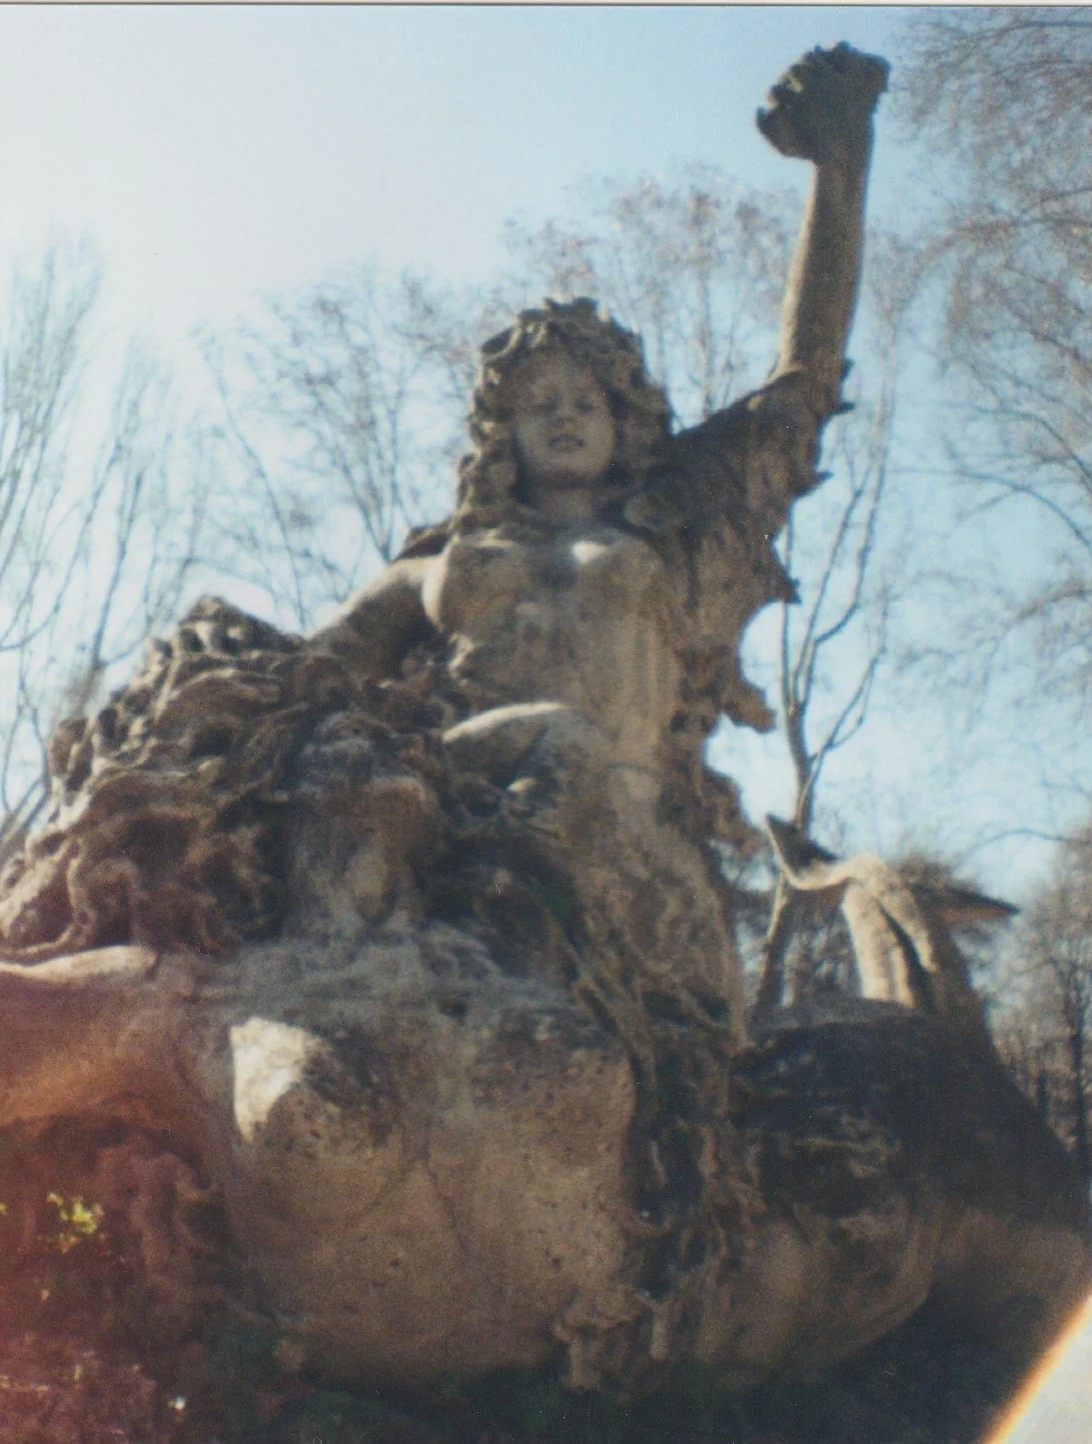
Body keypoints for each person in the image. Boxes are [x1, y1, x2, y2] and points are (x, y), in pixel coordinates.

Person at [311, 44, 890, 1052]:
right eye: (538, 403)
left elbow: (801, 378)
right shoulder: (445, 557)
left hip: (617, 827)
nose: (563, 415)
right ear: (503, 431)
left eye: (584, 398)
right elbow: (314, 667)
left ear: (625, 417)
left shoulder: (673, 531)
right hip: (452, 806)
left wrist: (838, 171)